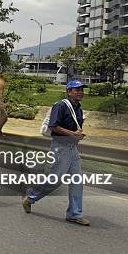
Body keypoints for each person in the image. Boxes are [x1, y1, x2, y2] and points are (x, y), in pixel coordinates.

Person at [22, 80, 90, 226]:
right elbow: (53, 126)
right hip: (60, 148)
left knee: (77, 182)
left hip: (73, 149)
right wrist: (72, 134)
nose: (80, 92)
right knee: (54, 181)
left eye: (81, 90)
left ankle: (74, 214)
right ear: (69, 91)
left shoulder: (78, 108)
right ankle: (30, 198)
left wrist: (77, 136)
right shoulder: (60, 106)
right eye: (76, 90)